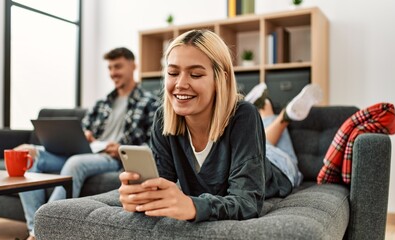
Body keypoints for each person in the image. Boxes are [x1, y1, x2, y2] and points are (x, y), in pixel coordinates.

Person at [117, 29, 309, 222]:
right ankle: (266, 110)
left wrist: (193, 206)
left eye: (196, 75)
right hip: (249, 148)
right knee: (261, 135)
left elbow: (246, 203)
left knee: (271, 141)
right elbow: (161, 185)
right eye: (173, 72)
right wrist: (140, 197)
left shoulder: (243, 115)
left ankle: (284, 116)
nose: (181, 84)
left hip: (279, 165)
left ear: (221, 79)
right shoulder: (163, 118)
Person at [16, 47, 159, 239]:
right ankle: (36, 230)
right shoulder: (102, 103)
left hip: (112, 157)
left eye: (118, 66)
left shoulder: (149, 102)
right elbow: (83, 131)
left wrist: (120, 149)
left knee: (75, 162)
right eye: (109, 68)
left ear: (133, 65)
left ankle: (43, 230)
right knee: (27, 156)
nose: (113, 73)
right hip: (87, 150)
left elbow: (154, 144)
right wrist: (86, 135)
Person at [245, 82, 323, 187]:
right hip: (282, 167)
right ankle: (273, 110)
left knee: (260, 147)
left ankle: (276, 112)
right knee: (262, 146)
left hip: (275, 164)